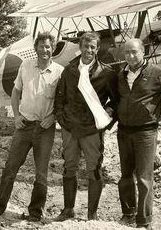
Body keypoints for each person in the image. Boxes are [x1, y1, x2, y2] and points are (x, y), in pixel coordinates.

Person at [0, 32, 64, 222]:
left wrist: (53, 117)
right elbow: (16, 91)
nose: (45, 50)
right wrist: (16, 116)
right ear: (35, 48)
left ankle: (36, 212)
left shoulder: (60, 72)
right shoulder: (26, 66)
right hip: (24, 125)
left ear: (53, 49)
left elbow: (64, 101)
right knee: (10, 167)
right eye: (41, 46)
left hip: (45, 129)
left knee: (41, 173)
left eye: (48, 47)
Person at [116, 39, 161, 229]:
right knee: (125, 176)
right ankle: (128, 213)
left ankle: (144, 221)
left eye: (134, 52)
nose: (130, 56)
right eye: (127, 53)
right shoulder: (121, 74)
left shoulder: (157, 72)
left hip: (146, 132)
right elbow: (117, 99)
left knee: (144, 178)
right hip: (123, 131)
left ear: (143, 52)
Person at [53, 32, 118, 221]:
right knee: (69, 166)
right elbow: (60, 97)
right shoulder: (69, 70)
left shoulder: (106, 73)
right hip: (70, 128)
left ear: (97, 49)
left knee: (94, 169)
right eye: (86, 46)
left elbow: (115, 101)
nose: (89, 50)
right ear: (80, 47)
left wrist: (106, 122)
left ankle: (92, 214)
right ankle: (68, 210)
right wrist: (62, 120)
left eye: (93, 47)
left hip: (92, 130)